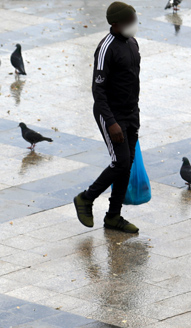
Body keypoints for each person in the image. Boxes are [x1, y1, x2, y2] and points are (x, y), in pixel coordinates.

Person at [73, 2, 142, 234]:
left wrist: (135, 113)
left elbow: (133, 80)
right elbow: (98, 90)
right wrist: (111, 122)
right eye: (130, 20)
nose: (135, 24)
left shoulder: (132, 43)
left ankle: (113, 216)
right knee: (120, 162)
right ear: (116, 24)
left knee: (127, 164)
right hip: (111, 115)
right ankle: (86, 198)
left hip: (131, 113)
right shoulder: (105, 48)